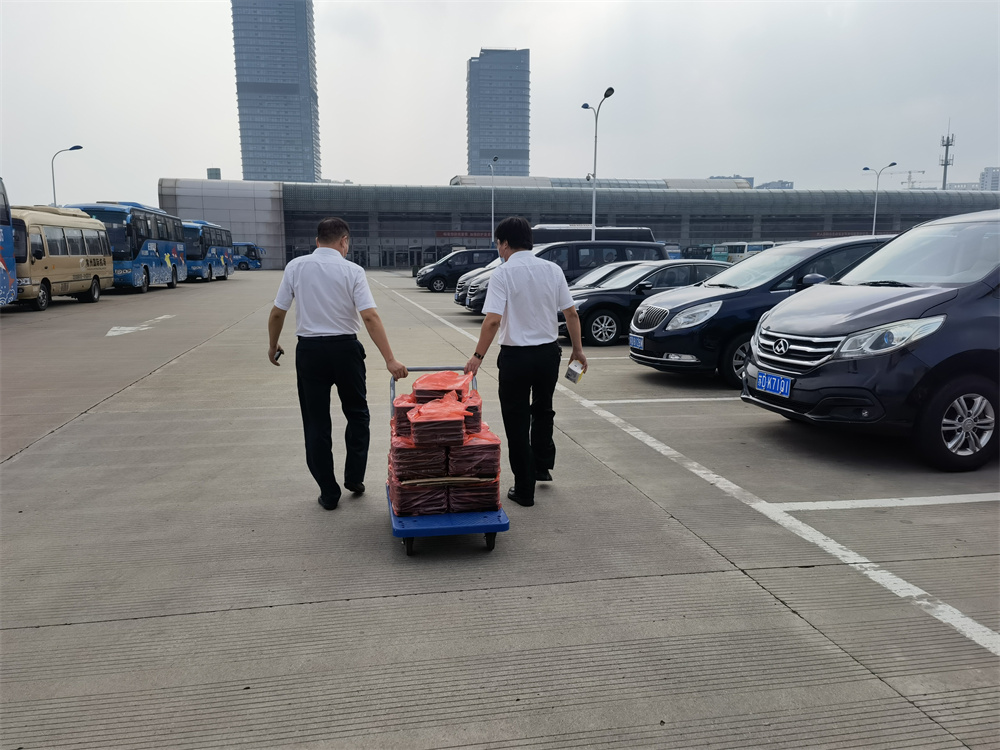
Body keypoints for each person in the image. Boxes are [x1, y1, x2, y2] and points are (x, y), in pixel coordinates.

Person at [268, 217, 408, 511]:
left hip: (309, 352)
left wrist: (273, 344)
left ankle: (328, 492)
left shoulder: (295, 267)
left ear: (317, 240)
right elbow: (369, 316)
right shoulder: (352, 270)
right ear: (344, 241)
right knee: (357, 414)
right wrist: (390, 359)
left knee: (316, 421)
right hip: (346, 350)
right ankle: (354, 476)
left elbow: (278, 312)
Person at [464, 217, 587, 507]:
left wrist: (477, 356)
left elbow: (492, 320)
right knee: (543, 409)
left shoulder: (503, 273)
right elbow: (571, 313)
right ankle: (541, 465)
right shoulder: (552, 269)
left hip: (516, 358)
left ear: (505, 243)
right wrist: (578, 350)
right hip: (548, 355)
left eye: (498, 244)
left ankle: (524, 489)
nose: (498, 250)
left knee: (517, 420)